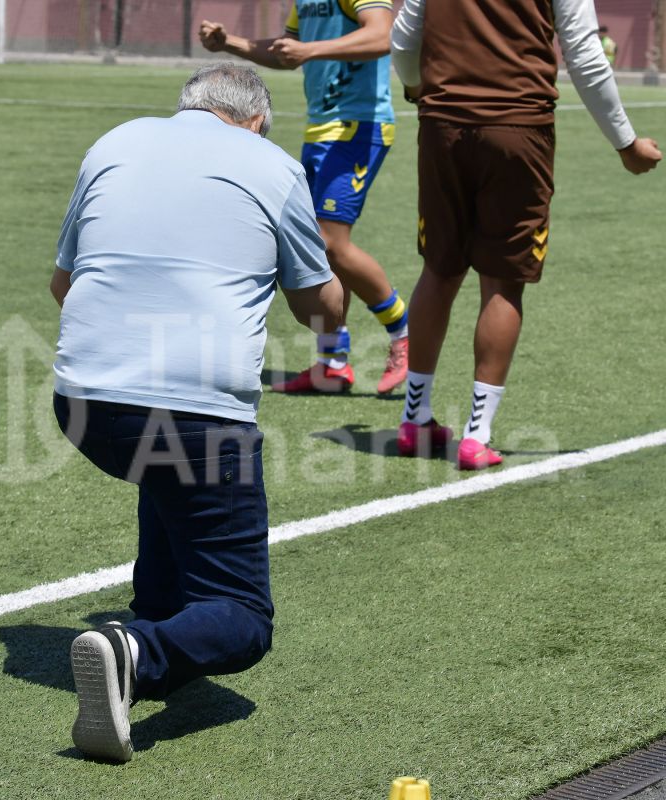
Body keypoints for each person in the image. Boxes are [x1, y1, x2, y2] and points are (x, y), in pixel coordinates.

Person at [50, 63, 343, 761]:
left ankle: (153, 624)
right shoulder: (271, 164)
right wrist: (333, 334)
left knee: (168, 473)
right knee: (243, 620)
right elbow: (320, 301)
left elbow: (63, 284)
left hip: (83, 406)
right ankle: (136, 650)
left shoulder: (113, 142)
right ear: (255, 120)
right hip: (195, 416)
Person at [391, 0, 661, 470]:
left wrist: (416, 86)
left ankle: (415, 419)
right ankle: (477, 435)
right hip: (518, 128)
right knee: (502, 280)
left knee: (439, 270)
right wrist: (626, 143)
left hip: (442, 127)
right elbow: (583, 52)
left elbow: (404, 37)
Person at [199, 1, 410, 395]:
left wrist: (310, 51)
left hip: (359, 126)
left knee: (329, 242)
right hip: (322, 130)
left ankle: (403, 334)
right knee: (320, 245)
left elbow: (383, 35)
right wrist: (230, 43)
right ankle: (332, 364)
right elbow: (286, 50)